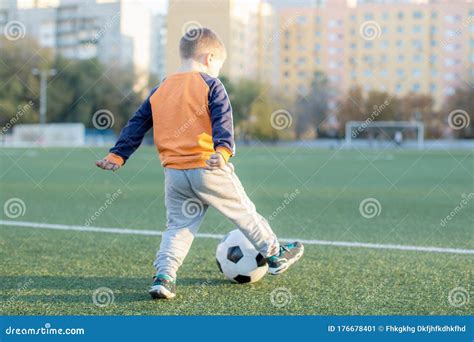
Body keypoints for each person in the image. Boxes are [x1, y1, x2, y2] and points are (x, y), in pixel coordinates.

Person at [96, 28, 304, 299]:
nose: (217, 71)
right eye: (218, 65)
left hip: (174, 174)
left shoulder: (161, 89)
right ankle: (275, 256)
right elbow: (222, 119)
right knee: (244, 213)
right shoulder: (211, 84)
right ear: (209, 57)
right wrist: (223, 150)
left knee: (178, 228)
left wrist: (118, 155)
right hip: (209, 167)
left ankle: (164, 277)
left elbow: (138, 123)